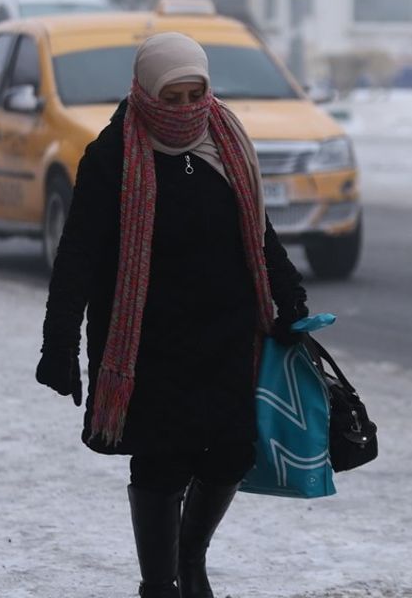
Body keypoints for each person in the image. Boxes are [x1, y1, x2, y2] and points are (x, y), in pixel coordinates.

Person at [37, 32, 308, 597]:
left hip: (226, 334)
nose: (185, 111)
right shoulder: (112, 157)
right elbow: (78, 256)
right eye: (172, 97)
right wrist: (58, 342)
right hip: (146, 343)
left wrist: (289, 293)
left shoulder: (226, 142)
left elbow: (258, 232)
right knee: (162, 462)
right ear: (144, 92)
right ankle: (159, 585)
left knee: (232, 451)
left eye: (194, 96)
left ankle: (192, 557)